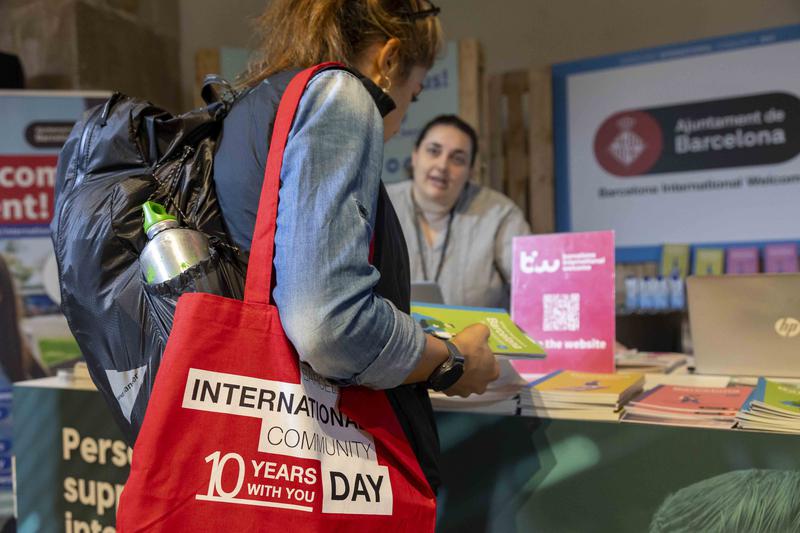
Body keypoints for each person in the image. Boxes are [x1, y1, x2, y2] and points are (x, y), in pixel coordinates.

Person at [212, 0, 499, 495]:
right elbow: (329, 325)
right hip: (320, 459)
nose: (408, 107)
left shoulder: (258, 100)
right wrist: (450, 359)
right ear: (388, 61)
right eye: (416, 88)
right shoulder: (340, 97)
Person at [386, 115, 531, 309]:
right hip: (397, 337)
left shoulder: (500, 214)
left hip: (478, 338)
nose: (442, 166)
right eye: (433, 151)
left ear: (470, 171)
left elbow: (530, 288)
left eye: (458, 159)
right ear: (415, 156)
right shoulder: (382, 203)